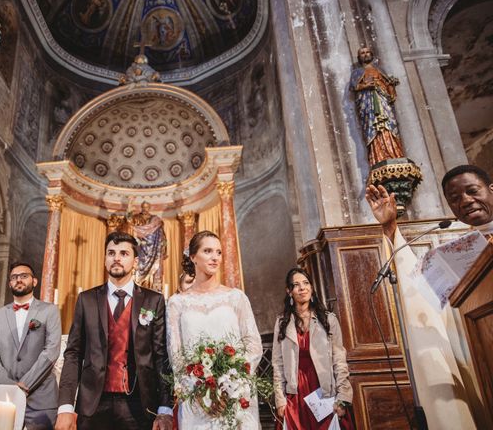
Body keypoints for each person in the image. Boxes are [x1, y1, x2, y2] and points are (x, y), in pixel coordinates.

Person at [364, 164, 493, 429]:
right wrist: (391, 228)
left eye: (472, 191)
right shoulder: (455, 255)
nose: (466, 201)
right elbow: (420, 291)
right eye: (455, 199)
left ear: (491, 190)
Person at [56, 231, 173, 430]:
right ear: (105, 259)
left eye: (124, 253)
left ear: (135, 261)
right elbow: (74, 353)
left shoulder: (153, 300)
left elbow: (161, 356)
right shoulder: (87, 300)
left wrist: (165, 408)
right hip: (93, 404)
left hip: (139, 404)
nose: (116, 258)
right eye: (111, 253)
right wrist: (65, 406)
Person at [166, 231, 263, 429]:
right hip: (196, 400)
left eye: (218, 252)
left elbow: (253, 345)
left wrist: (231, 386)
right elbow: (176, 354)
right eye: (207, 251)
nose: (215, 257)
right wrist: (201, 393)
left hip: (236, 398)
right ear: (192, 256)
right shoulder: (177, 303)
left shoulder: (236, 298)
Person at [271, 268, 353, 429]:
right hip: (295, 392)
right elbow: (277, 364)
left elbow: (339, 361)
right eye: (296, 285)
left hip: (324, 390)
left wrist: (343, 397)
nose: (302, 288)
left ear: (312, 288)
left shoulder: (328, 319)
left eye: (306, 283)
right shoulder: (282, 323)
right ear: (289, 291)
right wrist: (280, 399)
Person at [0, 262, 62, 430]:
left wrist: (25, 385)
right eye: (14, 277)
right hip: (5, 397)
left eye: (24, 276)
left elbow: (52, 351)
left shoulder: (50, 311)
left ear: (34, 281)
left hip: (41, 398)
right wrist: (10, 385)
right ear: (10, 283)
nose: (19, 280)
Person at [349, 46, 404, 166]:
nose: (365, 54)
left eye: (368, 52)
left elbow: (388, 85)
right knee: (374, 128)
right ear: (359, 57)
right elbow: (355, 87)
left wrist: (391, 88)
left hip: (383, 101)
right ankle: (378, 157)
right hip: (368, 105)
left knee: (388, 126)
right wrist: (367, 85)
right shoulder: (357, 72)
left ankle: (395, 154)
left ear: (372, 54)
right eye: (362, 53)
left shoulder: (380, 70)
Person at [130, 201, 168, 292]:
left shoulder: (155, 220)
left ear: (149, 208)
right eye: (143, 207)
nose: (145, 209)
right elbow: (129, 221)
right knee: (137, 269)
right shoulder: (137, 218)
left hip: (154, 250)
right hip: (140, 249)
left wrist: (164, 247)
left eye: (147, 207)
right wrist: (129, 205)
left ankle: (154, 290)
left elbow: (162, 236)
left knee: (155, 272)